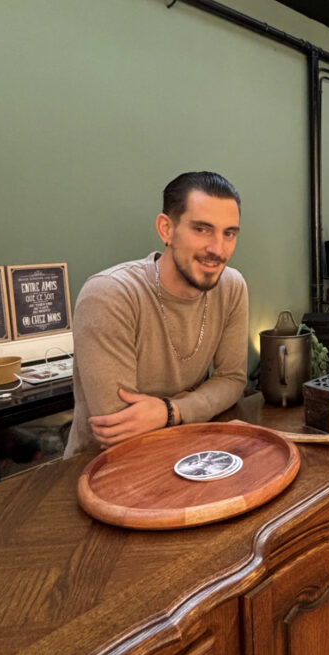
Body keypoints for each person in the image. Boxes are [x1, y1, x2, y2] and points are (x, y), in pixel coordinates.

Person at [64, 171, 248, 457]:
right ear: (166, 229)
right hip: (101, 466)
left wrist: (169, 411)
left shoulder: (231, 286)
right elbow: (120, 427)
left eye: (229, 233)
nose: (218, 249)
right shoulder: (110, 294)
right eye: (201, 229)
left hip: (190, 451)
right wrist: (201, 403)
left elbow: (232, 380)